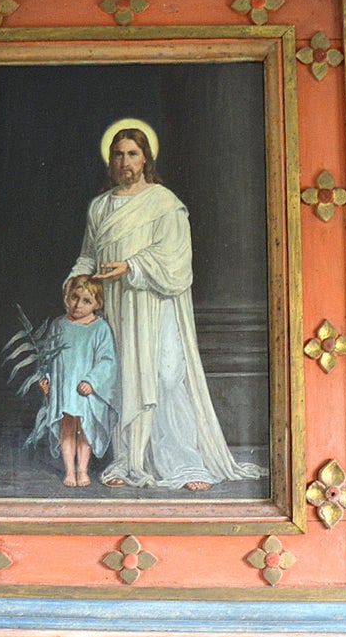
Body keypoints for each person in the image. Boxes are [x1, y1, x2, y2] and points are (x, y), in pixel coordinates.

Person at [67, 126, 262, 491]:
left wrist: (132, 266)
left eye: (132, 154)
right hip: (119, 307)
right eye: (119, 154)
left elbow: (176, 258)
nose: (125, 162)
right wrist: (74, 279)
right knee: (126, 376)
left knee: (167, 376)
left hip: (156, 303)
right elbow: (89, 254)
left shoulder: (163, 201)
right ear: (111, 159)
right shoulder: (100, 206)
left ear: (146, 159)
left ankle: (185, 464)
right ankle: (130, 460)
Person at [31, 273, 119, 487]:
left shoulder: (100, 328)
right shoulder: (59, 325)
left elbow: (107, 360)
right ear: (66, 297)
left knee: (85, 429)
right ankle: (69, 471)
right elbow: (49, 356)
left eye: (86, 300)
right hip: (64, 388)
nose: (78, 304)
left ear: (97, 303)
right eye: (74, 297)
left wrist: (92, 381)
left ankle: (83, 470)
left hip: (85, 390)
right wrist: (47, 378)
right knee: (67, 428)